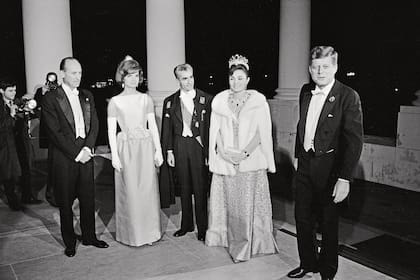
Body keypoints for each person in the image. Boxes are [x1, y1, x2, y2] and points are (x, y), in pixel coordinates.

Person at [287, 46, 363, 280]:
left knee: (329, 223)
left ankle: (328, 270)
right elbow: (305, 124)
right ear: (310, 69)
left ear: (335, 68)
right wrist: (301, 155)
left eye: (325, 67)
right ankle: (307, 263)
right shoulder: (305, 91)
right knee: (302, 218)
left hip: (331, 170)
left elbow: (354, 140)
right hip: (305, 165)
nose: (320, 71)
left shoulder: (348, 95)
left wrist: (344, 179)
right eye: (316, 67)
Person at [205, 54, 278, 262]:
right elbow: (215, 130)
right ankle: (225, 237)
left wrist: (245, 153)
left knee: (246, 205)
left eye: (239, 78)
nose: (235, 82)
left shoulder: (258, 101)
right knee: (228, 204)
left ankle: (246, 245)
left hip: (250, 160)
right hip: (226, 160)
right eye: (232, 78)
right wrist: (224, 152)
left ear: (247, 79)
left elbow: (262, 132)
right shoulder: (219, 101)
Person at [42, 57, 109, 257]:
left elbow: (95, 124)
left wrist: (88, 148)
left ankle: (89, 236)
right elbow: (54, 132)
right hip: (65, 157)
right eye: (73, 73)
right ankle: (69, 242)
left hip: (86, 155)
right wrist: (76, 153)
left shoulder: (87, 95)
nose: (78, 77)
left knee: (88, 199)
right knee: (65, 202)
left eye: (80, 72)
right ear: (62, 73)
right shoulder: (51, 98)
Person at [107, 56, 163, 246]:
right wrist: (114, 155)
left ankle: (150, 233)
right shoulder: (114, 102)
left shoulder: (145, 99)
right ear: (122, 77)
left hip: (146, 147)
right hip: (126, 149)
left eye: (136, 75)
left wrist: (159, 151)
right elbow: (111, 130)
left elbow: (153, 125)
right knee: (130, 193)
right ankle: (133, 234)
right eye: (129, 75)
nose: (133, 79)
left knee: (147, 191)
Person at [160, 63, 212, 241]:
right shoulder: (170, 101)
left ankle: (203, 228)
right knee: (184, 186)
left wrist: (209, 154)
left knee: (200, 187)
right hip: (179, 145)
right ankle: (186, 225)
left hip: (198, 146)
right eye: (184, 79)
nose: (189, 82)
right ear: (178, 80)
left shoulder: (206, 99)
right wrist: (169, 151)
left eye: (190, 77)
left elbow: (210, 129)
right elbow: (166, 129)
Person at [35, 72, 59, 207]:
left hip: (60, 131)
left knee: (60, 166)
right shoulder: (41, 91)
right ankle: (51, 194)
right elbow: (36, 105)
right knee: (52, 165)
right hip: (49, 132)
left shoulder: (60, 90)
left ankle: (59, 193)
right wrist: (42, 93)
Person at [0, 79, 23, 210]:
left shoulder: (15, 102)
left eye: (14, 90)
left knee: (14, 173)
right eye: (10, 90)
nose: (14, 93)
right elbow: (3, 126)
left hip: (15, 144)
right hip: (4, 145)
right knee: (7, 173)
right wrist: (12, 115)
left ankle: (16, 199)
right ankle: (13, 202)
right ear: (1, 91)